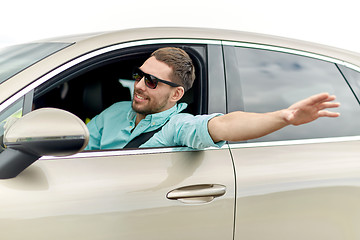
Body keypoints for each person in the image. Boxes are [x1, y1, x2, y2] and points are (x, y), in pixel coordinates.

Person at [85, 47, 340, 150]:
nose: (139, 86)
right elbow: (78, 150)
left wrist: (285, 117)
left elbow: (224, 125)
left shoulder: (178, 126)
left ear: (176, 94)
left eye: (151, 81)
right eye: (139, 75)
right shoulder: (115, 111)